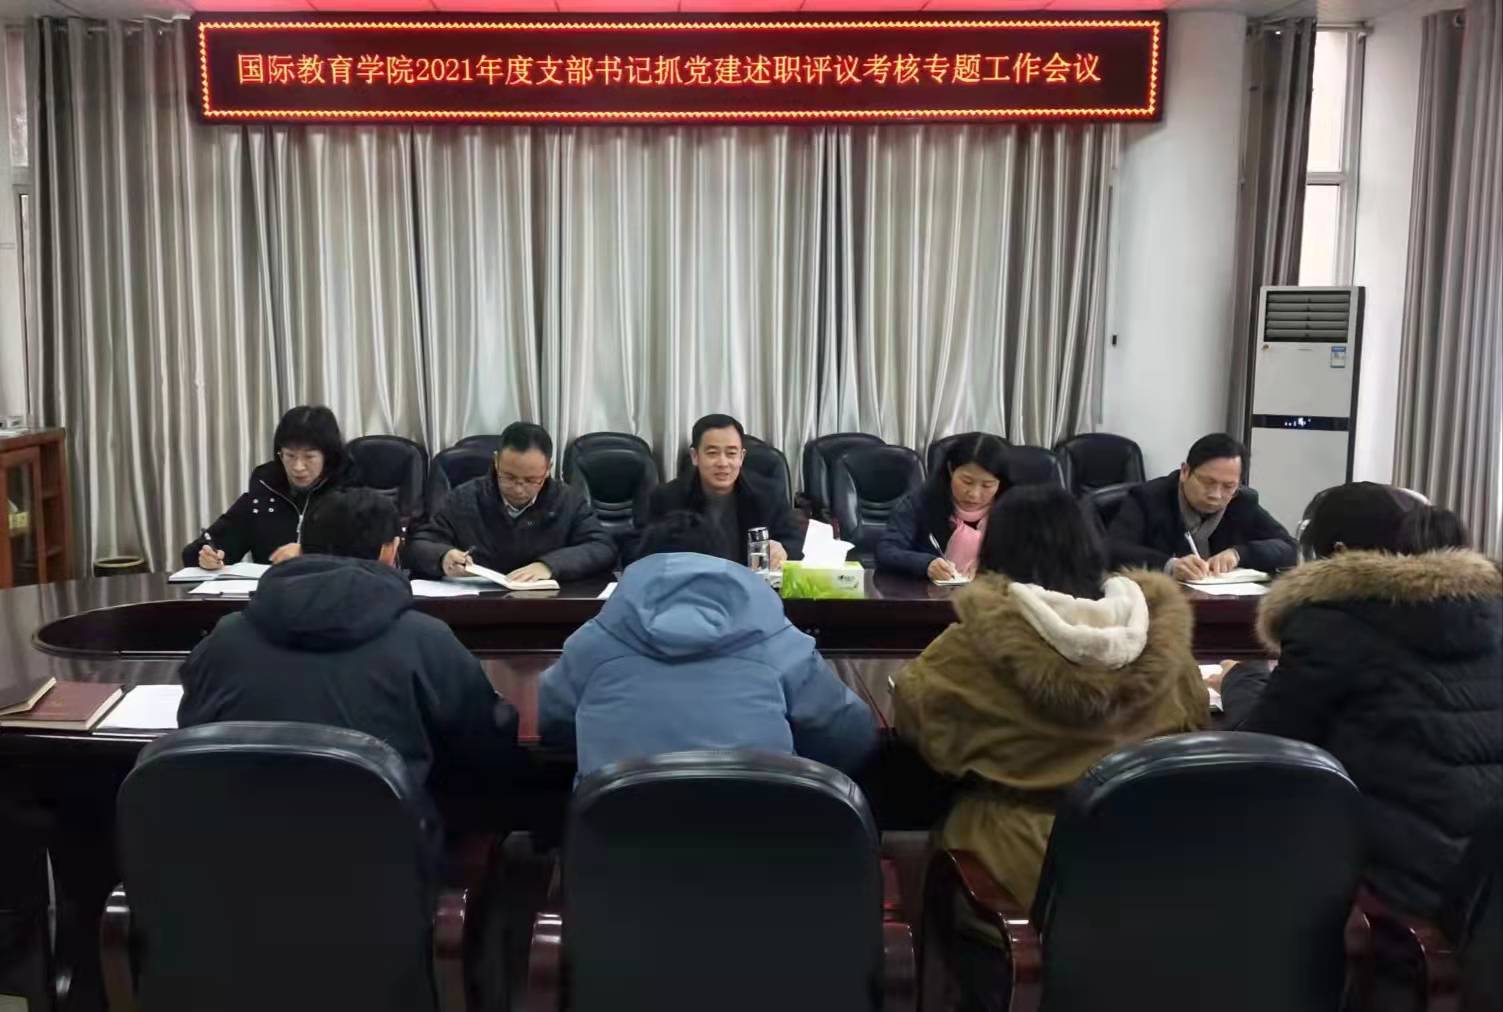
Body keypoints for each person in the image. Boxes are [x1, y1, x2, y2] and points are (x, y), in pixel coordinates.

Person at [895, 484, 1208, 911]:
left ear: (995, 552)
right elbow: (1194, 726)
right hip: (1147, 870)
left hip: (1015, 877)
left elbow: (922, 726)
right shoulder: (1164, 641)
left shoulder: (973, 646)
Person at [1216, 483, 1501, 918]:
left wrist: (1240, 677)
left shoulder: (1333, 622)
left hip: (1406, 887)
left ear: (1340, 552)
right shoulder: (1489, 610)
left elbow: (1260, 751)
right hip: (1485, 886)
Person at [178, 488, 521, 829]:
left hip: (237, 847)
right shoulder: (427, 640)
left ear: (302, 546)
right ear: (390, 551)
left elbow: (192, 729)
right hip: (383, 852)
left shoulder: (225, 638)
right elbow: (485, 746)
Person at [538, 511, 877, 778]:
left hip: (616, 837)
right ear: (725, 563)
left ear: (640, 565)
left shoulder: (593, 642)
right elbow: (849, 732)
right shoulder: (778, 639)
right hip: (759, 835)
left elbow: (553, 723)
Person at [406, 422, 616, 583]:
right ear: (497, 461)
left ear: (548, 468)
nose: (518, 488)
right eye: (509, 477)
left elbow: (602, 547)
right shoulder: (464, 498)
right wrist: (443, 557)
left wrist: (550, 566)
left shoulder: (567, 500)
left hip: (548, 608)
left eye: (531, 480)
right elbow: (419, 545)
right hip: (477, 607)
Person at [180, 404, 356, 569]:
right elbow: (198, 552)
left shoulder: (350, 494)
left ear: (328, 456)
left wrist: (308, 551)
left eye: (309, 457)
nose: (298, 467)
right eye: (290, 456)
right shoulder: (264, 491)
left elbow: (367, 556)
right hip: (273, 590)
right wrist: (207, 558)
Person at [1107, 432, 1296, 579]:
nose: (1215, 495)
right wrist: (1169, 565)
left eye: (1228, 486)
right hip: (1160, 603)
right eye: (1207, 482)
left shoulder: (1243, 503)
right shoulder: (1149, 498)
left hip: (1223, 604)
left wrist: (1239, 554)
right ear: (1185, 472)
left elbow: (1290, 548)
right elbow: (1112, 549)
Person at [643, 414, 803, 567]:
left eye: (731, 453)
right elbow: (645, 551)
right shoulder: (667, 498)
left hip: (751, 582)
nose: (723, 463)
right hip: (692, 581)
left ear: (741, 457)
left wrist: (783, 550)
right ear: (695, 456)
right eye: (712, 453)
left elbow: (794, 539)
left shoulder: (768, 494)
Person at [876, 432, 1009, 580]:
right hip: (928, 591)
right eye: (967, 481)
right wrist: (926, 564)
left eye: (987, 485)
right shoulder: (921, 502)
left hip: (994, 592)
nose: (974, 494)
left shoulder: (1012, 510)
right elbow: (886, 551)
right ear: (951, 469)